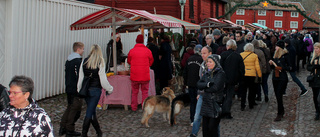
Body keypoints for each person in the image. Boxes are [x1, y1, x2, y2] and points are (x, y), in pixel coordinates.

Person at [77, 44, 113, 137]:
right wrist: (110, 88)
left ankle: (99, 132)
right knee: (90, 112)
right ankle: (84, 133)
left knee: (91, 111)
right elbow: (103, 79)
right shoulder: (100, 62)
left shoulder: (84, 61)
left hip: (86, 89)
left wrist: (79, 89)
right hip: (95, 90)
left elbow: (80, 77)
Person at [197, 54, 226, 137]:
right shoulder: (206, 73)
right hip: (206, 104)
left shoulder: (220, 73)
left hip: (215, 104)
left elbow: (215, 88)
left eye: (210, 62)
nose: (208, 64)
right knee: (205, 130)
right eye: (207, 62)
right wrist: (208, 84)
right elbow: (199, 84)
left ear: (215, 63)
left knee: (212, 128)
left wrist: (205, 88)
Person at [59, 42, 84, 136]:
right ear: (78, 49)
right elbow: (79, 76)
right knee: (75, 109)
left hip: (68, 87)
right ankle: (69, 129)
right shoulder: (77, 61)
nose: (83, 51)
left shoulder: (68, 60)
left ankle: (63, 126)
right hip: (75, 88)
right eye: (82, 49)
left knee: (69, 107)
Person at [189, 46, 212, 137]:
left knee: (212, 118)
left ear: (210, 53)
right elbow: (200, 81)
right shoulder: (202, 64)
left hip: (211, 95)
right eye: (201, 53)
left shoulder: (214, 65)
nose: (202, 55)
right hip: (202, 94)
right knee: (197, 116)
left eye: (204, 53)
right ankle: (194, 133)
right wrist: (199, 92)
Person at [127, 34, 154, 111]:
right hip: (145, 75)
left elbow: (129, 61)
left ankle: (134, 107)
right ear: (143, 41)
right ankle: (144, 107)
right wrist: (146, 66)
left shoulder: (131, 51)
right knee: (145, 92)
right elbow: (151, 61)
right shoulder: (148, 51)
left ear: (136, 41)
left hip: (135, 75)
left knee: (134, 92)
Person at [220, 39, 245, 118]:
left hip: (223, 79)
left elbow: (220, 67)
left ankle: (222, 111)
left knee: (222, 95)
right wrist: (239, 79)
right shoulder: (238, 56)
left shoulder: (223, 55)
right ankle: (226, 112)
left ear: (228, 46)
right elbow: (242, 70)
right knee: (229, 96)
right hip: (233, 79)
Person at [269, 40, 292, 121]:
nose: (275, 48)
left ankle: (279, 113)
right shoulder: (275, 55)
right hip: (275, 77)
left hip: (282, 77)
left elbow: (290, 67)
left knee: (279, 94)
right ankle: (281, 111)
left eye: (277, 46)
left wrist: (282, 67)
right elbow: (273, 68)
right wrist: (272, 64)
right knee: (277, 95)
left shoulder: (285, 55)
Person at [183, 44, 203, 126]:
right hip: (199, 84)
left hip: (191, 83)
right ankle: (198, 119)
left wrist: (186, 82)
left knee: (192, 102)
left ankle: (192, 119)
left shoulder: (189, 59)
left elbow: (185, 72)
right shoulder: (202, 60)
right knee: (200, 102)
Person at [240, 43, 262, 111]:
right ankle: (251, 104)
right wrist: (259, 75)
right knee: (251, 91)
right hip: (252, 75)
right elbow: (257, 67)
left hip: (243, 74)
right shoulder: (254, 56)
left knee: (243, 91)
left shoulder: (241, 54)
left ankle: (242, 105)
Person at [307, 42, 320, 120]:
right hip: (314, 80)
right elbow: (308, 67)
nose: (315, 50)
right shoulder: (312, 57)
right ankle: (317, 111)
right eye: (315, 48)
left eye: (317, 48)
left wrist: (318, 67)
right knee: (315, 97)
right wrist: (313, 67)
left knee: (319, 97)